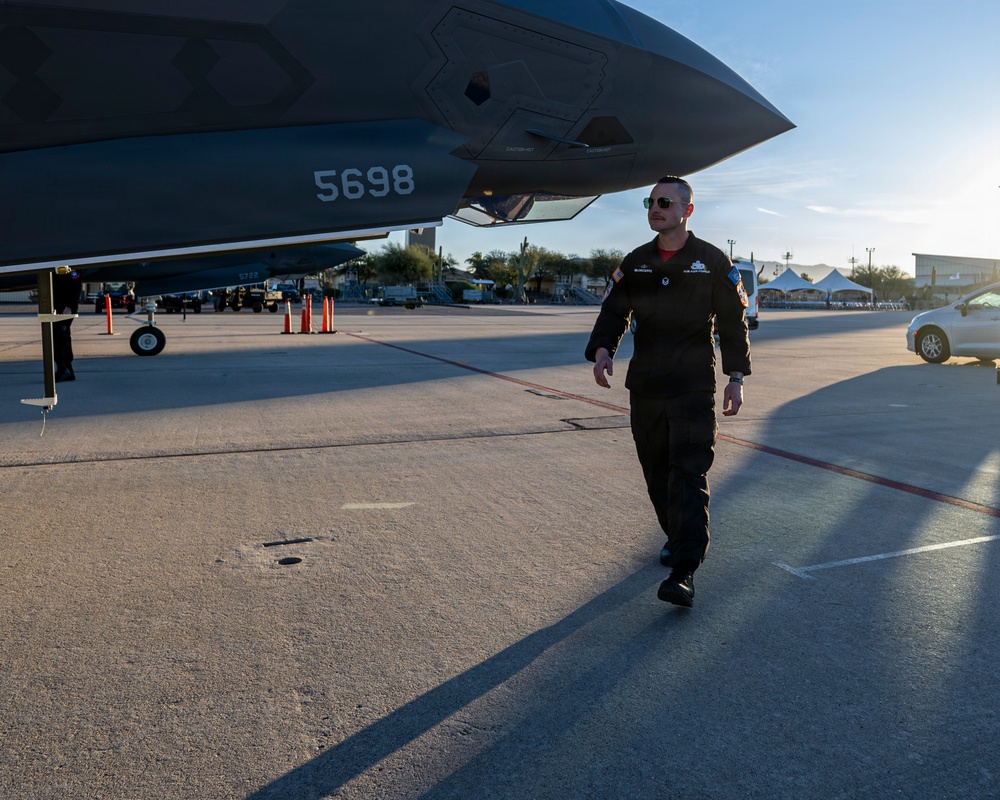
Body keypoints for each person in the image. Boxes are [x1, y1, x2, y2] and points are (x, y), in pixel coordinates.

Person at [585, 176, 751, 608]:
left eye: (664, 202)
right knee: (656, 473)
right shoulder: (636, 262)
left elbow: (733, 323)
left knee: (688, 472)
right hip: (646, 386)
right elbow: (613, 311)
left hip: (692, 386)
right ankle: (677, 537)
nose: (655, 208)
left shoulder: (711, 262)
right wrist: (603, 349)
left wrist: (735, 377)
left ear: (687, 210)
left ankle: (684, 570)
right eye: (650, 202)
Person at [52, 269, 82, 382]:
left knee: (61, 337)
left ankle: (65, 370)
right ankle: (65, 369)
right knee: (58, 337)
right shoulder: (56, 268)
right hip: (57, 307)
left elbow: (75, 286)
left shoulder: (71, 268)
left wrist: (70, 306)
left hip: (65, 309)